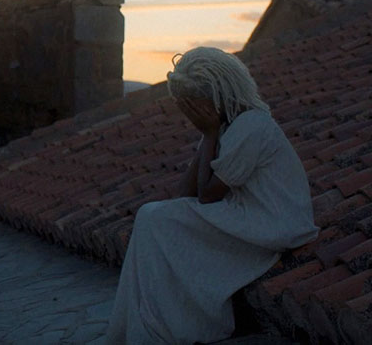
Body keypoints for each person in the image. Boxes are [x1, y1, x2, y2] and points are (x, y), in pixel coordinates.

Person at [107, 47, 318, 344]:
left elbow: (208, 196)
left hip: (272, 223)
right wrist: (208, 135)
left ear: (216, 96)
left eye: (194, 106)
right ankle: (153, 320)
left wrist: (208, 134)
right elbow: (185, 195)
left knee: (154, 218)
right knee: (153, 219)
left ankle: (176, 326)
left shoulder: (252, 126)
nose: (190, 114)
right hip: (247, 214)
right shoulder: (227, 127)